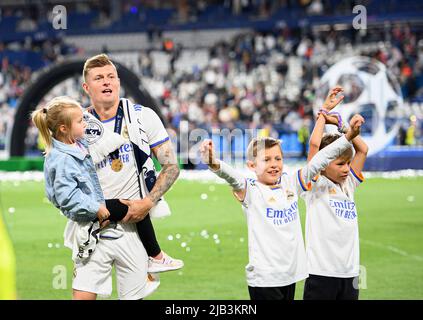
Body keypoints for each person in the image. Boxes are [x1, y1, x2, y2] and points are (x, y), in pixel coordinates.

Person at [199, 115, 364, 300]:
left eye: (278, 158)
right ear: (252, 165)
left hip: (290, 277)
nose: (274, 164)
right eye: (267, 159)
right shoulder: (252, 190)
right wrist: (213, 162)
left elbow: (320, 159)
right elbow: (232, 177)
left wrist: (348, 136)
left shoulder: (291, 183)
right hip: (265, 280)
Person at [303, 86, 369, 300]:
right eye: (340, 164)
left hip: (350, 273)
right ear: (322, 165)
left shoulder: (348, 184)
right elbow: (314, 145)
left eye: (348, 164)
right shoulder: (315, 184)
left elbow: (363, 149)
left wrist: (342, 126)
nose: (346, 169)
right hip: (321, 274)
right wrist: (323, 113)